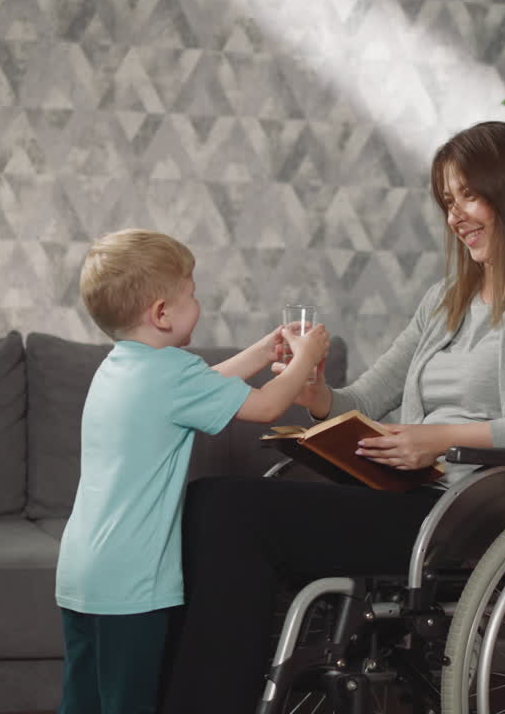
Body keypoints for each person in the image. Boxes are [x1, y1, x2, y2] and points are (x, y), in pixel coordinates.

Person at [160, 121, 505, 714]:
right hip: (412, 497)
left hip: (473, 515)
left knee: (229, 510)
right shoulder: (445, 301)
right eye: (447, 201)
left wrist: (439, 438)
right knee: (209, 501)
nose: (454, 216)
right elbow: (365, 400)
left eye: (468, 196)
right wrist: (317, 394)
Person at [55, 228, 329, 714]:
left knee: (83, 702)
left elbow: (203, 387)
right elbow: (267, 407)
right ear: (162, 313)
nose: (198, 304)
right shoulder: (171, 374)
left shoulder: (121, 366)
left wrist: (264, 352)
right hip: (132, 583)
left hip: (82, 572)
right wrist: (304, 358)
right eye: (192, 295)